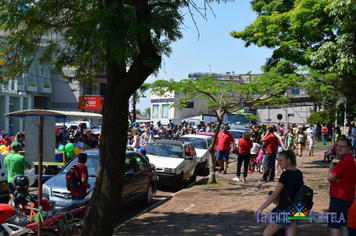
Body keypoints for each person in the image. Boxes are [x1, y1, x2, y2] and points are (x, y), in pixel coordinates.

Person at [256, 150, 302, 236]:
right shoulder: (299, 173)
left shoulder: (286, 174)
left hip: (285, 210)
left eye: (281, 160)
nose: (279, 163)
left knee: (266, 234)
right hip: (296, 209)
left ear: (288, 161)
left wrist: (261, 208)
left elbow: (275, 194)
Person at [327, 137, 356, 236]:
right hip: (347, 197)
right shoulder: (350, 159)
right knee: (343, 224)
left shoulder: (345, 161)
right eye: (338, 146)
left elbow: (330, 177)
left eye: (342, 147)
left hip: (339, 197)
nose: (339, 149)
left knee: (334, 225)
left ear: (349, 148)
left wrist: (335, 178)